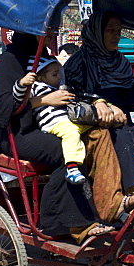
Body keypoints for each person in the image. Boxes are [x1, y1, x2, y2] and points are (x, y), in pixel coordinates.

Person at [0, 32, 108, 241]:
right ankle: (58, 218)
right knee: (68, 153)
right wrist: (43, 100)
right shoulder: (9, 60)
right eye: (48, 30)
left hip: (49, 125)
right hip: (18, 133)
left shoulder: (43, 55)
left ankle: (107, 208)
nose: (52, 35)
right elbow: (1, 110)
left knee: (96, 141)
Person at [64, 9, 134, 220]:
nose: (116, 35)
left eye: (119, 31)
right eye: (110, 30)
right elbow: (74, 99)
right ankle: (132, 194)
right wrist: (106, 106)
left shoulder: (120, 61)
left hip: (123, 125)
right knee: (123, 137)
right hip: (92, 127)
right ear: (95, 32)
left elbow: (131, 102)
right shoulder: (77, 63)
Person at [13, 56, 89, 184]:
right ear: (41, 77)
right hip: (55, 122)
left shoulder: (57, 88)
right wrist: (21, 83)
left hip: (69, 119)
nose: (59, 77)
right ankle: (72, 168)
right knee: (71, 133)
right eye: (55, 74)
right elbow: (18, 97)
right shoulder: (35, 87)